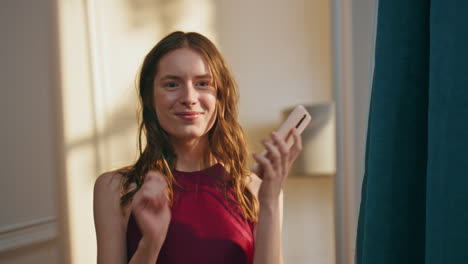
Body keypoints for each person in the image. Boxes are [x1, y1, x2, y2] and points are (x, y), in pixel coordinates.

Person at [93, 31, 303, 264]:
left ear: (220, 97)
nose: (189, 97)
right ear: (150, 97)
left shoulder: (256, 190)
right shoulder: (116, 188)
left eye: (203, 83)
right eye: (172, 84)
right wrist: (150, 243)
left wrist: (270, 202)